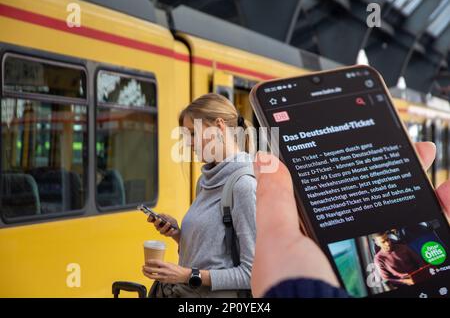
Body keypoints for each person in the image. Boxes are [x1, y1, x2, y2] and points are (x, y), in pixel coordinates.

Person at [250, 142, 450, 298]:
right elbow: (390, 280)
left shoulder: (401, 247)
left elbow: (418, 261)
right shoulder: (379, 260)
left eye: (387, 239)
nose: (388, 242)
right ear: (378, 243)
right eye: (385, 241)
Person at [142, 93, 257, 297]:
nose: (188, 143)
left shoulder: (244, 185)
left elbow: (251, 274)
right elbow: (212, 254)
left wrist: (187, 275)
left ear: (219, 126)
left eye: (192, 134)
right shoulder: (204, 182)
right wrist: (178, 234)